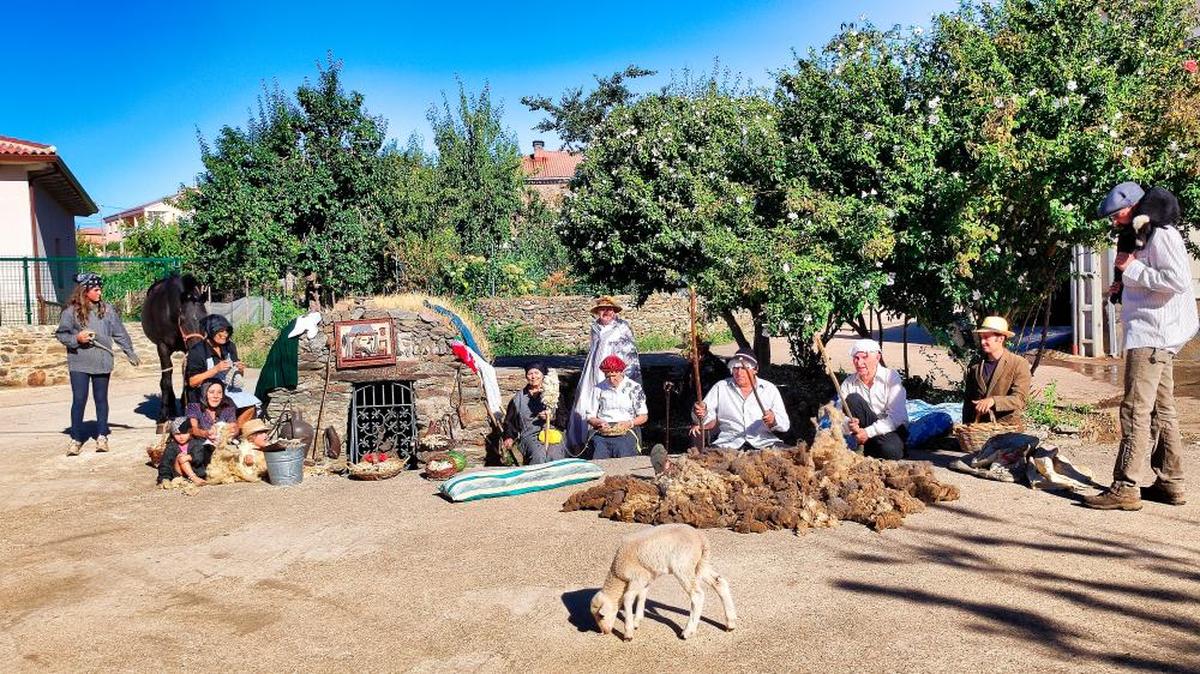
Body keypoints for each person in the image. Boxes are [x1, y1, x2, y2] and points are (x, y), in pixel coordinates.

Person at [1085, 183, 1198, 510]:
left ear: (1133, 206)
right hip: (1156, 333)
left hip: (1153, 333)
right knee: (1163, 410)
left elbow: (1176, 281)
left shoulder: (1161, 235)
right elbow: (1151, 276)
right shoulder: (1145, 232)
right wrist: (1124, 283)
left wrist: (1130, 269)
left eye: (1116, 214)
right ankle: (1171, 483)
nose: (1114, 222)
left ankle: (1125, 486)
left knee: (1135, 408)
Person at [55, 272, 140, 456]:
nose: (100, 292)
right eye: (96, 289)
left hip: (102, 361)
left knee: (101, 400)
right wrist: (76, 338)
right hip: (79, 362)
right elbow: (61, 334)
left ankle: (102, 435)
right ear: (85, 291)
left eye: (100, 289)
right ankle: (76, 438)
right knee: (79, 400)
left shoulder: (107, 311)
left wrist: (129, 351)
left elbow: (119, 333)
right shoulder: (70, 312)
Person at [567, 296, 642, 450]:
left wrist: (625, 375)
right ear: (597, 312)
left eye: (609, 309)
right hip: (594, 372)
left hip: (614, 371)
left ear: (614, 311)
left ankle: (620, 438)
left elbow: (630, 354)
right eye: (602, 309)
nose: (606, 312)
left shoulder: (622, 328)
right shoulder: (595, 328)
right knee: (587, 400)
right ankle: (584, 441)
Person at [691, 347, 790, 450]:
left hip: (764, 443)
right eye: (735, 368)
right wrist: (701, 412)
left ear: (755, 369)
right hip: (728, 444)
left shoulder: (769, 389)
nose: (739, 373)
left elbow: (785, 425)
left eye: (744, 368)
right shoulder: (721, 387)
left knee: (792, 459)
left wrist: (773, 420)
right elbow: (705, 418)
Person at [839, 339, 908, 459]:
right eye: (856, 358)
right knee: (852, 399)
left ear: (877, 357)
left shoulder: (891, 378)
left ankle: (872, 447)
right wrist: (848, 424)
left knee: (891, 451)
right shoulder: (848, 383)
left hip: (890, 429)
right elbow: (838, 414)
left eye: (864, 357)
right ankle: (867, 446)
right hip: (863, 429)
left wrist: (867, 432)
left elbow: (897, 417)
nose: (859, 363)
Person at [185, 314, 259, 426]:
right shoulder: (197, 351)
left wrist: (240, 369)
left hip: (227, 390)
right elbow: (192, 382)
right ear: (211, 331)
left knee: (250, 406)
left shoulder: (229, 346)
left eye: (227, 331)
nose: (225, 335)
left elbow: (238, 376)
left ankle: (232, 432)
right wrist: (215, 370)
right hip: (205, 393)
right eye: (221, 331)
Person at [961, 316, 1032, 426]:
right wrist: (966, 427)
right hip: (978, 430)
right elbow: (968, 402)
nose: (982, 342)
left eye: (986, 338)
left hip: (1006, 428)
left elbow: (1019, 400)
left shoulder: (1018, 364)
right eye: (981, 338)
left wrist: (993, 401)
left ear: (1001, 339)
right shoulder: (975, 366)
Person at [502, 363, 566, 464]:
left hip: (552, 433)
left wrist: (552, 417)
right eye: (530, 373)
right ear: (526, 376)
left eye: (537, 373)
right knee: (538, 454)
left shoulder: (553, 394)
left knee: (555, 455)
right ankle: (538, 479)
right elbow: (510, 421)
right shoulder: (518, 399)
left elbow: (564, 418)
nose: (533, 376)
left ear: (543, 375)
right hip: (530, 436)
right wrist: (509, 437)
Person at [586, 355, 648, 459]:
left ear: (621, 372)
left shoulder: (634, 387)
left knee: (623, 446)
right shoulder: (598, 388)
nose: (611, 379)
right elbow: (590, 416)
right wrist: (599, 422)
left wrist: (629, 423)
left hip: (627, 429)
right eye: (608, 376)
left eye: (614, 376)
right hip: (604, 429)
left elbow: (643, 416)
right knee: (598, 446)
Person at [157, 416, 211, 485]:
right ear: (172, 434)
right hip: (179, 473)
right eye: (177, 434)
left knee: (184, 458)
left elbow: (201, 456)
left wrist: (191, 457)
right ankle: (194, 479)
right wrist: (164, 478)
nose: (181, 437)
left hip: (196, 471)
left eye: (184, 433)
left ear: (190, 432)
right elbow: (165, 464)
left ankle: (194, 478)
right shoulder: (171, 447)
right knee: (181, 456)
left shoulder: (197, 443)